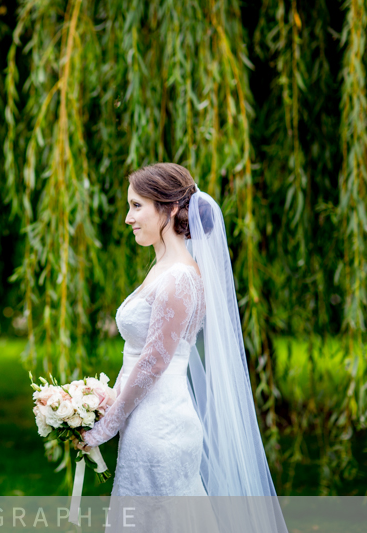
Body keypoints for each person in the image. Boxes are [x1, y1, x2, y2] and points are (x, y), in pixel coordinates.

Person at [77, 163, 287, 532]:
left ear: (170, 208)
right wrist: (102, 402)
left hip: (162, 427)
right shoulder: (163, 268)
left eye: (137, 206)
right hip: (147, 420)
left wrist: (105, 426)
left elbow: (154, 362)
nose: (128, 218)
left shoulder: (179, 277)